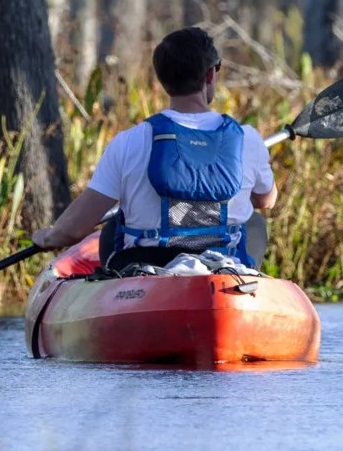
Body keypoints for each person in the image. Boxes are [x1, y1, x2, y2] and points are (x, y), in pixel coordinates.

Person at [28, 26, 278, 269]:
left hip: (148, 266)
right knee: (255, 222)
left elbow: (76, 228)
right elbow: (266, 200)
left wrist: (50, 236)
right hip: (222, 266)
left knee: (113, 226)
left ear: (162, 78)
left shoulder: (129, 141)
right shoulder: (248, 139)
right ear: (210, 75)